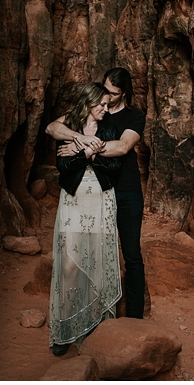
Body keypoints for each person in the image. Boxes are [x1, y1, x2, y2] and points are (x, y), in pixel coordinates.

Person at [46, 67, 147, 318]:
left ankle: (135, 317)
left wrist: (83, 149)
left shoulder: (134, 116)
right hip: (102, 193)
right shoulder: (94, 109)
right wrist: (79, 137)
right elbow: (52, 128)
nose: (108, 99)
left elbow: (123, 147)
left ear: (123, 93)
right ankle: (87, 316)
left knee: (131, 254)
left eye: (113, 94)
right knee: (95, 252)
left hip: (128, 191)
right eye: (105, 91)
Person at [48, 82, 122, 356]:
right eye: (101, 104)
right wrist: (87, 152)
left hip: (101, 199)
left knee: (98, 263)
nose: (105, 109)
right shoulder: (71, 127)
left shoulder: (110, 128)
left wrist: (87, 153)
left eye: (108, 105)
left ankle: (92, 327)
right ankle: (65, 329)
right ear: (88, 102)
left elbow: (114, 168)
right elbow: (63, 165)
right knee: (69, 265)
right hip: (73, 199)